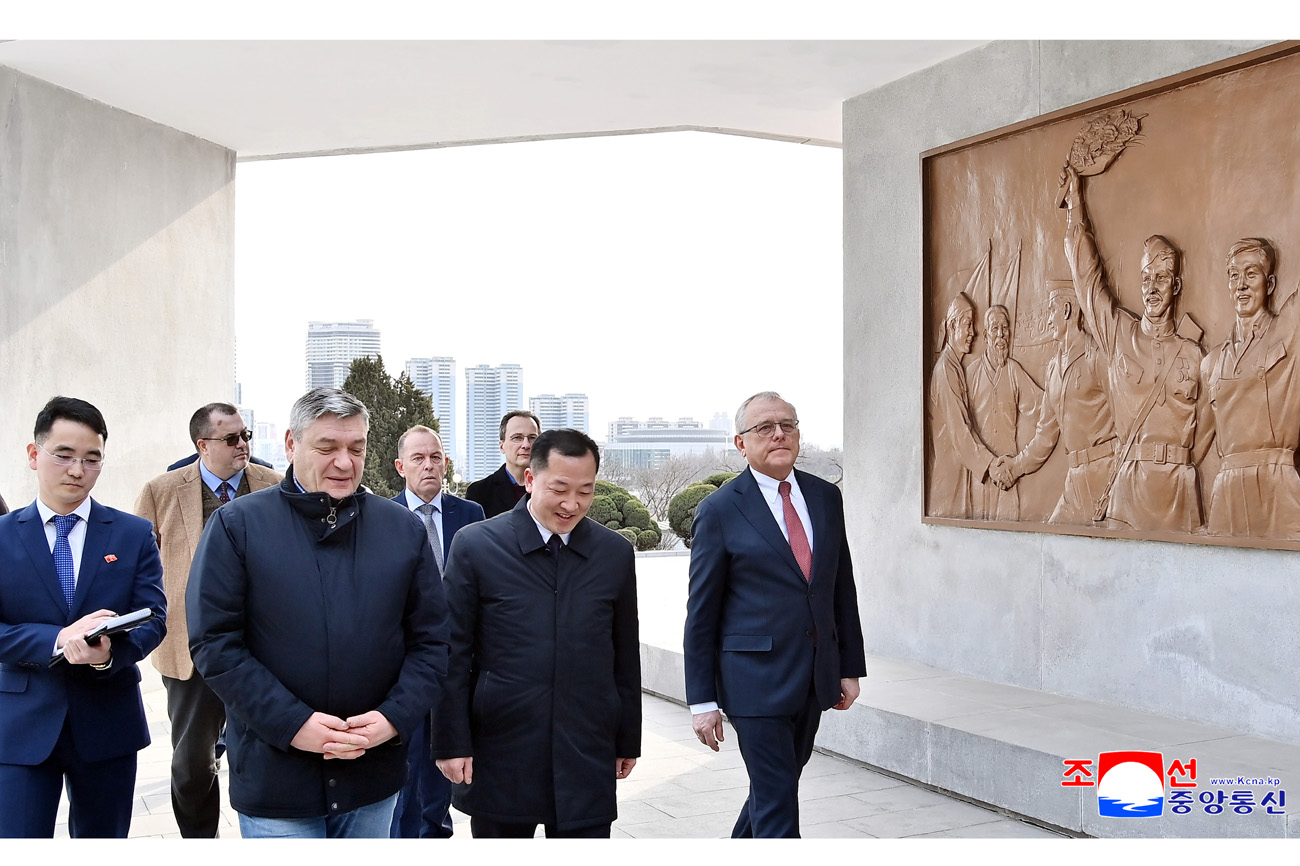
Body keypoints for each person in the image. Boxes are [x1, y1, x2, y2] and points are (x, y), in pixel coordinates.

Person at [186, 388, 449, 838]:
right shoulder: (237, 526)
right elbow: (215, 643)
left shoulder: (402, 529)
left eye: (357, 448)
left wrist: (392, 718)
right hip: (276, 777)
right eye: (327, 448)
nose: (344, 462)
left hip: (373, 775)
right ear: (291, 444)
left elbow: (432, 642)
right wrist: (293, 724)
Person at [433, 428, 641, 838]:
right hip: (502, 744)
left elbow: (624, 652)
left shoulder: (613, 553)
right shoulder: (476, 545)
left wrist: (627, 737)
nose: (572, 504)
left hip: (586, 741)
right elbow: (452, 651)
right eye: (559, 488)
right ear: (530, 480)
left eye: (585, 491)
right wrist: (451, 741)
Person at [683, 391, 865, 838]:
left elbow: (841, 587)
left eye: (788, 424)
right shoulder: (720, 510)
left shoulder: (825, 497)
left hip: (814, 676)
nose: (779, 434)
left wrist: (849, 667)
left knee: (775, 789)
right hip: (753, 683)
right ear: (741, 444)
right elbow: (701, 615)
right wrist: (702, 701)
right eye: (764, 427)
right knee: (778, 799)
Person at [0, 396, 167, 837]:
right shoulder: (1, 538)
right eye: (65, 456)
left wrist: (108, 653)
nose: (78, 470)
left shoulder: (132, 534)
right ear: (35, 456)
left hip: (108, 722)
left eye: (92, 459)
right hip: (20, 726)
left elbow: (154, 617)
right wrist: (57, 640)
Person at [134, 402, 282, 837]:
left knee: (264, 753)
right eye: (232, 438)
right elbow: (139, 566)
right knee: (192, 764)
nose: (244, 445)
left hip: (265, 647)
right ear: (203, 445)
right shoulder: (160, 491)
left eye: (246, 435)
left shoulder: (274, 485)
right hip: (190, 647)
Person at [1062, 166, 1205, 532]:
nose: (1151, 287)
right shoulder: (1120, 334)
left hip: (1179, 490)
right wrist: (1077, 208)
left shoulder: (1193, 354)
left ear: (1175, 285)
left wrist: (1178, 461)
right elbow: (1088, 281)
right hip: (1130, 488)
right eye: (1145, 279)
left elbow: (1207, 427)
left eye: (1160, 279)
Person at [388, 425, 484, 838]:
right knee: (407, 765)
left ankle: (436, 833)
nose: (429, 466)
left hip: (457, 658)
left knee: (444, 756)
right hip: (404, 662)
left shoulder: (471, 515)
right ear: (400, 467)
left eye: (436, 457)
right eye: (418, 459)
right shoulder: (384, 516)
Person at [1200, 238, 1300, 537]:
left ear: (1269, 284)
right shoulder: (1212, 362)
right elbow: (1199, 439)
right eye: (1234, 275)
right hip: (1227, 487)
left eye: (1251, 274)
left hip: (1277, 483)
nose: (1241, 285)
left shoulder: (1288, 331)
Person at [996, 283, 1118, 525]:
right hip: (1074, 481)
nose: (1049, 319)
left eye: (1052, 311)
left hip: (1107, 477)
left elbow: (1126, 419)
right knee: (1052, 540)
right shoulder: (1052, 369)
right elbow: (1045, 436)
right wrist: (1014, 467)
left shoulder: (1097, 356)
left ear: (1067, 310)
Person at [966, 303, 1043, 520]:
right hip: (980, 478)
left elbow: (1042, 406)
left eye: (1005, 328)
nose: (1001, 335)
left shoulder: (1014, 372)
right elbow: (962, 428)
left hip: (1009, 477)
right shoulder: (970, 375)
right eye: (995, 329)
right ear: (986, 336)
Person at [927, 292, 997, 518]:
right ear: (952, 326)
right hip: (948, 483)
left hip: (958, 474)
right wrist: (991, 465)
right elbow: (960, 431)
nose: (973, 332)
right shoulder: (946, 370)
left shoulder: (954, 368)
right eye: (968, 324)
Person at [464, 410, 541, 517]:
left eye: (532, 438)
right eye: (517, 438)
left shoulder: (553, 488)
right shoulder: (480, 492)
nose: (526, 445)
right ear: (502, 446)